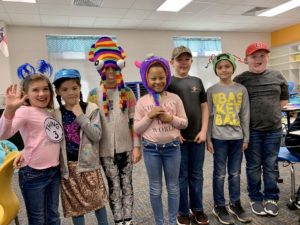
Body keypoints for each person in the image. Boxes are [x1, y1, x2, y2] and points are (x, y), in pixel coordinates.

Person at [87, 37, 141, 225]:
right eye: (106, 68)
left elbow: (133, 122)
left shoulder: (128, 92)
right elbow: (91, 125)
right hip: (105, 150)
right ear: (100, 69)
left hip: (126, 148)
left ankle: (129, 217)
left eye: (114, 68)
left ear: (119, 68)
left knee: (127, 183)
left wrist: (136, 147)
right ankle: (118, 219)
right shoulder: (93, 94)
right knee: (114, 185)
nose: (110, 72)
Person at [0, 60, 62, 225]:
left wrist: (22, 150)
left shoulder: (50, 112)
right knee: (38, 219)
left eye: (45, 89)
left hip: (54, 171)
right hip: (33, 174)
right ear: (26, 94)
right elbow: (3, 134)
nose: (42, 93)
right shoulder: (24, 111)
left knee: (53, 216)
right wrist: (9, 110)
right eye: (35, 90)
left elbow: (43, 138)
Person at [233, 42, 289, 216]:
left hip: (274, 130)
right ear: (246, 59)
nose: (258, 59)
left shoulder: (277, 75)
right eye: (254, 56)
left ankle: (271, 197)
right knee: (253, 166)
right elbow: (235, 106)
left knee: (271, 165)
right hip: (252, 132)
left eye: (262, 55)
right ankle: (255, 197)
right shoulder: (240, 79)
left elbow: (283, 101)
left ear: (267, 57)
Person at [134, 55, 188, 225]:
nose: (158, 81)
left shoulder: (174, 98)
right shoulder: (142, 102)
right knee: (155, 188)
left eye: (161, 77)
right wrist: (149, 117)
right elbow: (137, 129)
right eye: (153, 78)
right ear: (146, 79)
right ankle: (159, 222)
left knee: (173, 187)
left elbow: (184, 123)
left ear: (167, 77)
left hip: (172, 148)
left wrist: (170, 118)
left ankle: (172, 221)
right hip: (151, 150)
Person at [52, 69, 109, 225]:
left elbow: (96, 135)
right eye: (65, 89)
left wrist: (80, 116)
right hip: (68, 168)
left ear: (80, 88)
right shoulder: (56, 114)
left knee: (98, 202)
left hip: (89, 165)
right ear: (58, 92)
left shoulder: (90, 109)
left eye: (74, 88)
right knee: (76, 207)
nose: (71, 93)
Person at [206, 53, 251, 225]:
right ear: (216, 70)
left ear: (233, 68)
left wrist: (246, 138)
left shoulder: (241, 89)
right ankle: (219, 205)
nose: (224, 69)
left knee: (235, 173)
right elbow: (209, 116)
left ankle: (235, 203)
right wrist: (208, 139)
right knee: (219, 174)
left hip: (237, 138)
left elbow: (245, 114)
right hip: (218, 138)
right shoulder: (211, 91)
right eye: (220, 67)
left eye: (227, 66)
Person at [167, 46, 209, 225]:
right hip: (179, 139)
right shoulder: (169, 83)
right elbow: (166, 112)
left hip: (198, 137)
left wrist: (204, 130)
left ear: (191, 61)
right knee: (181, 176)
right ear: (172, 62)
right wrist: (175, 132)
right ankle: (183, 211)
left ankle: (198, 209)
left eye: (187, 59)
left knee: (197, 174)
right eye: (179, 59)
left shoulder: (197, 81)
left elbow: (204, 107)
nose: (183, 63)